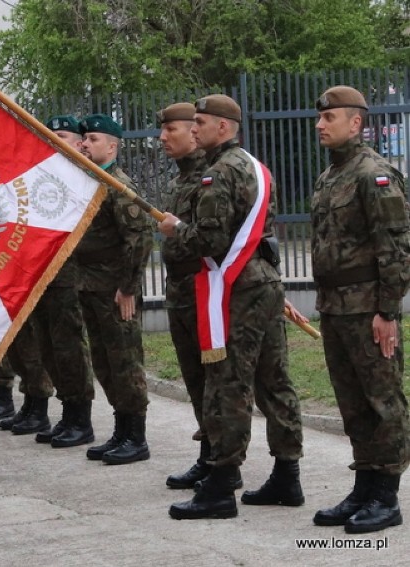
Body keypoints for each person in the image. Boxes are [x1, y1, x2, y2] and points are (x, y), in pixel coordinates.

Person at [159, 95, 304, 520]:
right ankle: (286, 474)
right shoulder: (254, 167)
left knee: (227, 381)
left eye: (200, 122)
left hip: (235, 286)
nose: (194, 128)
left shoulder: (217, 174)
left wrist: (174, 229)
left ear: (223, 127)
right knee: (273, 378)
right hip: (264, 280)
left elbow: (209, 241)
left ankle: (221, 485)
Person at [309, 85, 410, 534]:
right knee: (352, 402)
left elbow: (396, 246)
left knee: (382, 401)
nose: (319, 125)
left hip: (369, 308)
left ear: (355, 122)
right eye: (319, 118)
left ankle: (386, 496)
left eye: (329, 118)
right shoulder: (330, 176)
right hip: (335, 307)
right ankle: (364, 485)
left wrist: (388, 311)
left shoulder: (375, 174)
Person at [74, 114, 153, 464]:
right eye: (85, 139)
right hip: (89, 286)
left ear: (112, 145)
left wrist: (128, 288)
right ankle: (121, 430)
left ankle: (136, 436)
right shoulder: (89, 181)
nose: (85, 144)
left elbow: (140, 238)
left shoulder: (119, 185)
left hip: (114, 290)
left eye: (92, 139)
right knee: (104, 363)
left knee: (125, 362)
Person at [155, 102, 215, 488]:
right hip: (179, 290)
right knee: (194, 378)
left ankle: (222, 460)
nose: (163, 137)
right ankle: (208, 454)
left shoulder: (212, 177)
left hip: (205, 289)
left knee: (215, 380)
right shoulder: (178, 181)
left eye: (170, 130)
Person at [32, 115, 96, 447]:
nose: (55, 141)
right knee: (49, 349)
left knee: (70, 348)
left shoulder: (88, 177)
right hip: (46, 276)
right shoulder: (48, 175)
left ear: (79, 142)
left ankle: (80, 418)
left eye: (62, 136)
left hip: (72, 278)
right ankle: (67, 412)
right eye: (50, 136)